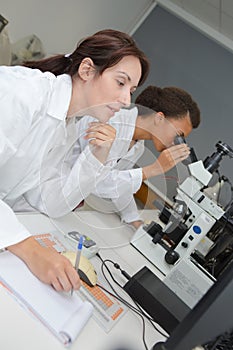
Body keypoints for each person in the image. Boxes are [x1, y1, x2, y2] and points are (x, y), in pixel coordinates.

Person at [0, 29, 149, 292]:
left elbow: (51, 203)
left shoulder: (66, 126)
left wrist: (97, 157)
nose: (127, 100)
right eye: (120, 83)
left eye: (132, 90)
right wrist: (31, 250)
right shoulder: (25, 93)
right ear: (87, 70)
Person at [72, 85, 200, 228]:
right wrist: (154, 169)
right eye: (177, 136)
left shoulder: (138, 145)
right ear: (159, 118)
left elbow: (119, 185)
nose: (175, 144)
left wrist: (134, 220)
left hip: (72, 199)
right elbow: (95, 182)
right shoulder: (112, 123)